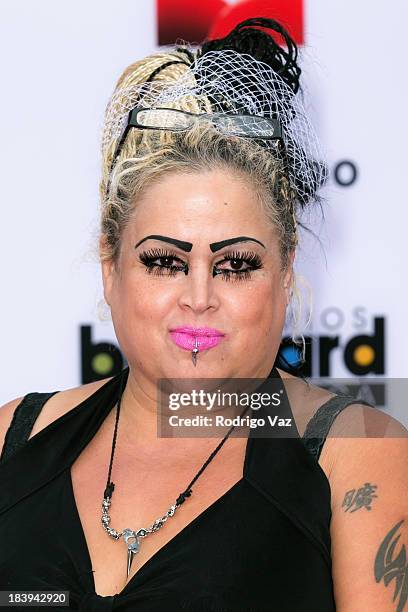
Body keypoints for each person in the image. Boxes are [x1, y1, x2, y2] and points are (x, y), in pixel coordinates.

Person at [0, 17, 407, 612]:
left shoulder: (355, 452)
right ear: (111, 267)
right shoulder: (13, 440)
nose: (199, 296)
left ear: (286, 273)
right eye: (164, 261)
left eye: (236, 264)